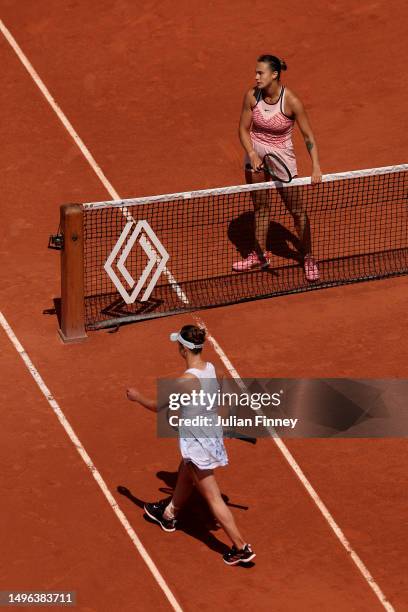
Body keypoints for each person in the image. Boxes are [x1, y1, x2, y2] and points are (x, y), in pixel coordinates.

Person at [126, 324, 256, 566]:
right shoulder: (211, 369)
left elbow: (157, 406)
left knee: (213, 498)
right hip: (208, 435)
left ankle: (241, 547)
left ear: (183, 350)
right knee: (185, 472)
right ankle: (168, 515)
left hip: (199, 445)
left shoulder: (186, 381)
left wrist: (136, 397)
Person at [233, 54, 322, 280]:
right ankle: (260, 255)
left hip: (282, 157)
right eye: (256, 72)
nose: (256, 77)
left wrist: (316, 167)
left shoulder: (290, 101)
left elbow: (308, 136)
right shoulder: (252, 96)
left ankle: (308, 256)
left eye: (260, 73)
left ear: (274, 75)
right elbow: (243, 129)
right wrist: (252, 153)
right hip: (256, 156)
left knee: (296, 211)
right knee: (261, 207)